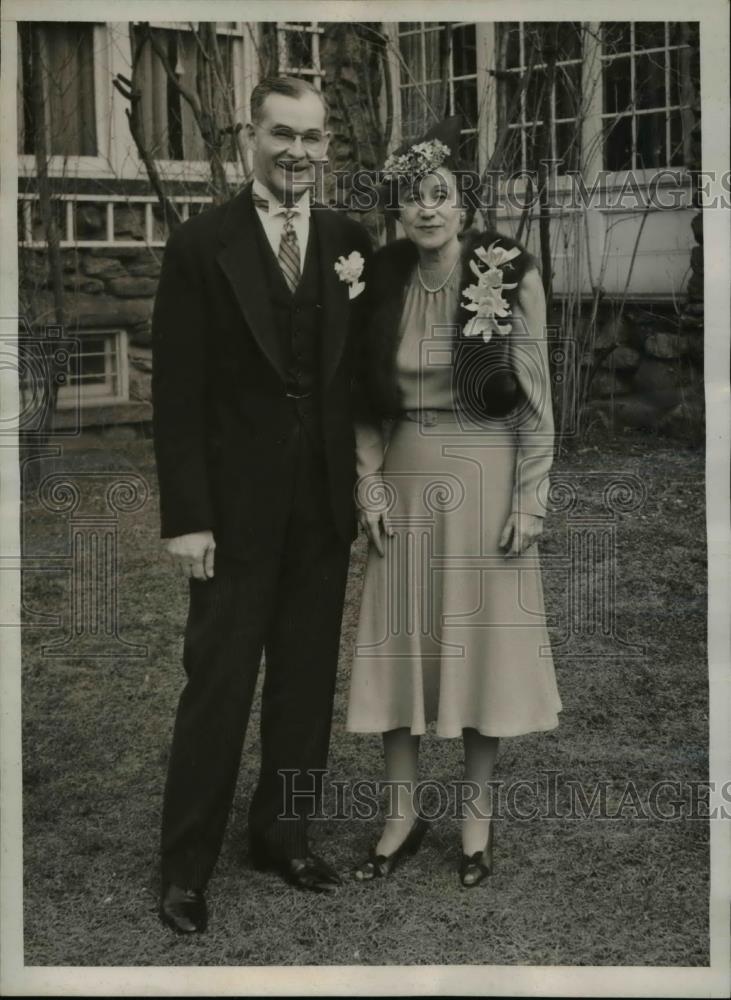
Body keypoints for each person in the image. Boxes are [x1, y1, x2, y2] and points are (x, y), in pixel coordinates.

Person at [151, 75, 371, 933]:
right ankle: (184, 868)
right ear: (250, 136)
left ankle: (283, 836)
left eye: (313, 138)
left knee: (305, 682)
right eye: (283, 134)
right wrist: (188, 518)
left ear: (327, 147)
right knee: (218, 684)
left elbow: (359, 376)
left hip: (320, 505)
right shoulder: (200, 244)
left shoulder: (349, 241)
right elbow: (176, 394)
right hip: (232, 513)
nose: (298, 153)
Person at [346, 117, 562, 887]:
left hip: (485, 477)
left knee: (480, 653)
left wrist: (529, 500)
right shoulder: (379, 279)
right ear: (398, 209)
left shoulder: (506, 271)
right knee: (399, 647)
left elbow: (536, 400)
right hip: (406, 479)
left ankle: (476, 822)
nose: (427, 208)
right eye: (413, 197)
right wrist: (368, 481)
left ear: (464, 203)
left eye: (440, 194)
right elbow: (363, 400)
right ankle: (401, 816)